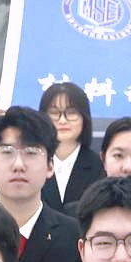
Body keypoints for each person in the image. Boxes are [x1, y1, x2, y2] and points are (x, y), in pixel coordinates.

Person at [0, 107, 81, 262]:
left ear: (50, 166)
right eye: (7, 152)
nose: (18, 165)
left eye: (31, 153)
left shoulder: (74, 236)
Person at [40, 81, 105, 210]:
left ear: (84, 117)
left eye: (71, 112)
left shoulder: (99, 165)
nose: (62, 120)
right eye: (54, 112)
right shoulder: (34, 161)